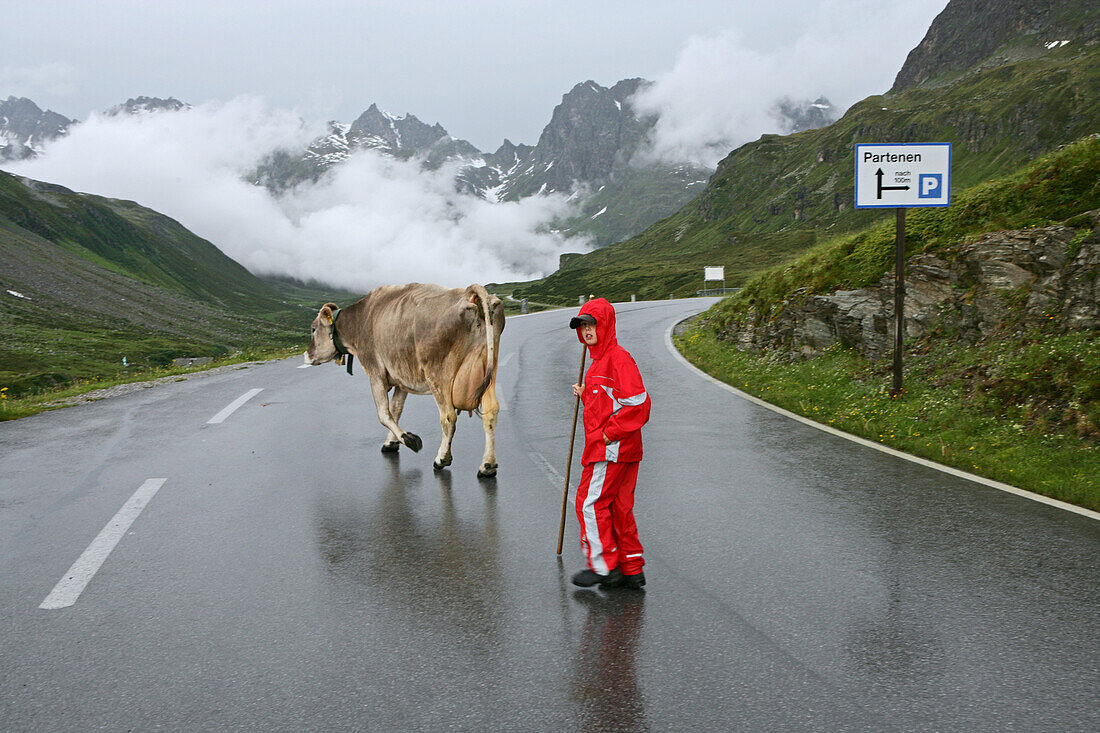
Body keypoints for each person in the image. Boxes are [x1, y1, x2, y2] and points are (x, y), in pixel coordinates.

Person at [568, 297, 651, 590]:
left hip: (610, 448)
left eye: (592, 324)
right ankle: (630, 569)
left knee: (589, 503)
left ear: (606, 325)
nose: (587, 331)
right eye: (583, 326)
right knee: (618, 507)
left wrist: (609, 433)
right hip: (622, 449)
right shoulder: (598, 362)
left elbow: (638, 404)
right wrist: (586, 393)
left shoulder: (618, 358)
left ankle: (602, 565)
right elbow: (610, 399)